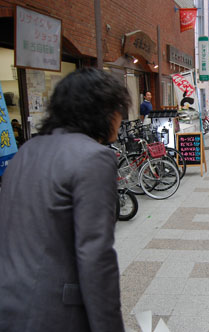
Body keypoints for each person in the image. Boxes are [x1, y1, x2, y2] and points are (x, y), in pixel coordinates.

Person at [0, 68, 131, 332]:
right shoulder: (93, 157)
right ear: (102, 111)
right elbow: (96, 255)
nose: (121, 117)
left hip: (10, 304)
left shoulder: (27, 151)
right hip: (55, 313)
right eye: (119, 109)